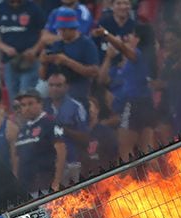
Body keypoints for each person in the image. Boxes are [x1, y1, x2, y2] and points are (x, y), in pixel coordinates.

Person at [97, 24, 157, 161]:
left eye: (133, 35)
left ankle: (127, 181)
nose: (129, 37)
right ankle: (161, 180)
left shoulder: (138, 54)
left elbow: (122, 48)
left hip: (135, 105)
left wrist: (106, 33)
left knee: (125, 150)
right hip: (147, 104)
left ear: (139, 39)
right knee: (148, 152)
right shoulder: (147, 56)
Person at [0, 0, 45, 101]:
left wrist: (35, 49)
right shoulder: (0, 8)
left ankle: (27, 116)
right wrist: (3, 47)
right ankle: (17, 116)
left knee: (26, 95)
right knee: (14, 98)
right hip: (10, 60)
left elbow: (45, 32)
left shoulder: (33, 8)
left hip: (29, 59)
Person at [41, 7, 100, 105]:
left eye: (64, 30)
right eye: (59, 29)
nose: (61, 33)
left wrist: (67, 62)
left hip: (78, 85)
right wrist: (44, 63)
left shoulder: (86, 44)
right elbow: (43, 77)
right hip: (57, 87)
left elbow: (94, 72)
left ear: (73, 28)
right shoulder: (57, 44)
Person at [13, 89, 66, 192]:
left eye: (30, 103)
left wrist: (57, 181)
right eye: (23, 105)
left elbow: (61, 151)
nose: (27, 108)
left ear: (40, 103)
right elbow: (17, 158)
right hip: (26, 187)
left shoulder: (50, 122)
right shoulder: (22, 130)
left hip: (46, 185)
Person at [44, 72, 88, 184]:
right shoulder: (43, 107)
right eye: (51, 85)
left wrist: (63, 129)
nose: (54, 88)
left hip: (72, 163)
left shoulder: (76, 107)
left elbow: (85, 138)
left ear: (66, 87)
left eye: (58, 85)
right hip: (50, 166)